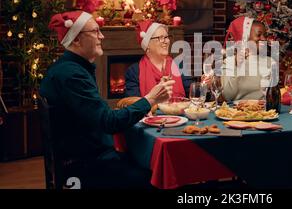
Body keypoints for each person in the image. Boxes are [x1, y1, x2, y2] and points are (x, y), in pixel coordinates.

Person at [39, 11, 175, 189]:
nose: (101, 36)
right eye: (95, 31)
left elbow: (96, 115)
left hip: (85, 155)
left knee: (142, 159)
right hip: (85, 165)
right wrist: (150, 99)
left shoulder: (72, 68)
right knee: (156, 175)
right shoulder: (72, 75)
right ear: (76, 40)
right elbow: (107, 122)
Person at [125, 19, 189, 98]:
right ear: (147, 45)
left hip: (178, 110)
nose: (166, 41)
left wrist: (204, 86)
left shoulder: (179, 65)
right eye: (160, 38)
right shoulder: (134, 71)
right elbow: (133, 104)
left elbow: (192, 93)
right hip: (150, 110)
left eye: (166, 37)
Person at [219, 16, 274, 101]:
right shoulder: (229, 62)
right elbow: (227, 96)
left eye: (265, 35)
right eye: (259, 35)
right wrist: (237, 67)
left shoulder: (270, 62)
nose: (264, 39)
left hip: (264, 112)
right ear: (245, 38)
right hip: (236, 112)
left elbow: (272, 95)